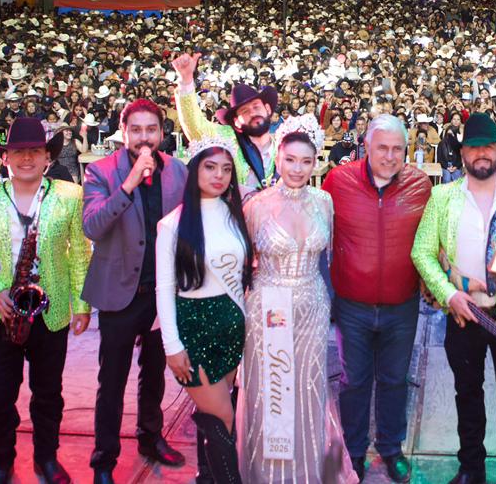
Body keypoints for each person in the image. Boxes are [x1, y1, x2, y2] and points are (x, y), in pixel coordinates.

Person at [411, 112, 496, 484]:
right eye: (474, 148)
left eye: (488, 146)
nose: (481, 154)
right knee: (467, 395)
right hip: (463, 313)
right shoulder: (442, 197)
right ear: (464, 155)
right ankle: (471, 468)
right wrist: (449, 294)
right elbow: (422, 251)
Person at [0, 116, 92, 484]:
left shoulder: (70, 195)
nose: (27, 158)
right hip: (0, 314)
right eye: (19, 152)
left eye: (35, 151)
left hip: (52, 311)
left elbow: (80, 252)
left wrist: (82, 305)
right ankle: (1, 464)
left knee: (48, 395)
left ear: (48, 157)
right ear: (5, 158)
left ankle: (46, 460)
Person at [239, 115, 357, 483]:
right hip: (268, 307)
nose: (298, 169)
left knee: (310, 389)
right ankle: (271, 472)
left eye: (307, 162)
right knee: (272, 390)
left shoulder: (324, 201)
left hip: (313, 304)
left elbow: (329, 255)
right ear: (278, 157)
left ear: (316, 162)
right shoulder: (256, 205)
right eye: (290, 160)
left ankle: (309, 470)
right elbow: (245, 265)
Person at [81, 99, 190, 482]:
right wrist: (128, 184)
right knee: (111, 380)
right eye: (137, 130)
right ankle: (104, 460)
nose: (145, 138)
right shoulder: (100, 172)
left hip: (161, 293)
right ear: (124, 132)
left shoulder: (178, 172)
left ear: (162, 133)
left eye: (152, 130)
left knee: (155, 372)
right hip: (119, 292)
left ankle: (150, 436)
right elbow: (93, 226)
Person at [323, 114, 431, 482]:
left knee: (395, 378)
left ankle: (390, 447)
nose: (389, 156)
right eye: (382, 147)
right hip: (352, 304)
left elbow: (431, 242)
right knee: (354, 381)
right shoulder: (338, 181)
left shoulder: (420, 185)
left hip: (402, 305)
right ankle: (353, 451)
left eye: (397, 148)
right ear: (366, 146)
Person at [156, 136, 255, 484]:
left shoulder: (234, 215)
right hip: (194, 328)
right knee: (224, 418)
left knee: (212, 414)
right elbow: (165, 289)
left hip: (231, 327)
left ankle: (206, 478)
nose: (219, 175)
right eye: (211, 167)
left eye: (227, 169)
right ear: (195, 168)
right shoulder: (172, 224)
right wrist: (172, 346)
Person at [174, 52, 278, 194]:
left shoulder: (285, 145)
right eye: (245, 111)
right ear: (236, 122)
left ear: (267, 109)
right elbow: (196, 127)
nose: (253, 113)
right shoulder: (227, 138)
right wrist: (185, 82)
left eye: (256, 106)